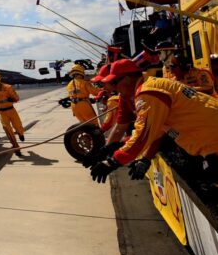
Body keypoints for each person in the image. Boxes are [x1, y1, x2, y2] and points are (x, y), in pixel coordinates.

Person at [88, 59, 218, 183]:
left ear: (128, 78)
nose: (113, 88)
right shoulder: (151, 85)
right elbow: (157, 130)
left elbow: (143, 134)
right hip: (210, 139)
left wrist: (112, 162)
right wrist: (111, 149)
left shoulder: (148, 93)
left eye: (114, 82)